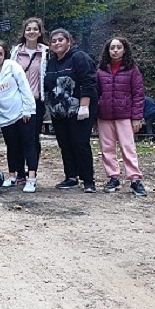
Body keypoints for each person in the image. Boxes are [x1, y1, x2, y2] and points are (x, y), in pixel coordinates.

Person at [43, 28, 98, 193]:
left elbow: (88, 81)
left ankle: (88, 180)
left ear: (69, 41)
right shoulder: (51, 62)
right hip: (59, 111)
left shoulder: (79, 57)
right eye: (54, 41)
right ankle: (71, 177)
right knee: (65, 144)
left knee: (80, 143)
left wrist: (84, 105)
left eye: (61, 40)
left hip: (79, 109)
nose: (57, 43)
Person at [0, 40, 38, 193]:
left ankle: (31, 178)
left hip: (22, 114)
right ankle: (12, 176)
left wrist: (28, 109)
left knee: (28, 145)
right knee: (12, 147)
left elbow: (24, 87)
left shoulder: (13, 67)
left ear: (5, 55)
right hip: (5, 118)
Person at [95, 37, 147, 196]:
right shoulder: (101, 70)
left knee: (128, 147)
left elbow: (138, 94)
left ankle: (135, 179)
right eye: (112, 48)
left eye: (118, 47)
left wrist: (137, 117)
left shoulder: (132, 70)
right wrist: (95, 115)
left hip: (125, 115)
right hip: (104, 115)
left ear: (124, 49)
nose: (115, 50)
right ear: (108, 50)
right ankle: (113, 177)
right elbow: (96, 93)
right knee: (107, 149)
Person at [10, 17, 49, 184]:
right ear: (24, 32)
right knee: (17, 137)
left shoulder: (46, 52)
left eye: (35, 29)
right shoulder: (15, 52)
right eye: (28, 29)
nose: (31, 32)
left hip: (36, 101)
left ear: (40, 32)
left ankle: (32, 170)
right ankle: (19, 173)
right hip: (16, 101)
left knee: (32, 138)